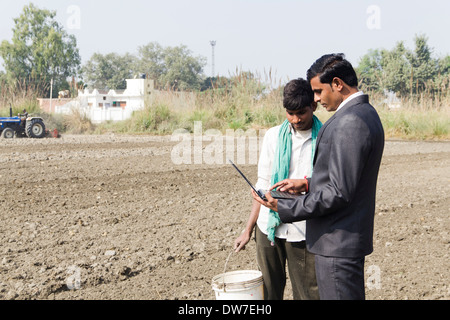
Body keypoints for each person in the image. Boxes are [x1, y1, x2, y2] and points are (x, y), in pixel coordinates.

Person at [252, 53, 385, 300]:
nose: (315, 99)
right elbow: (347, 180)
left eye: (317, 91)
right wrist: (308, 183)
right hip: (343, 242)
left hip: (337, 244)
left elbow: (338, 192)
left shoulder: (349, 121)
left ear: (337, 84)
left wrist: (284, 206)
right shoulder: (367, 113)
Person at [234, 78, 322, 300]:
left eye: (301, 112)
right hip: (269, 227)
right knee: (268, 293)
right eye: (290, 113)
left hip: (303, 229)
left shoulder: (325, 137)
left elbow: (328, 184)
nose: (295, 119)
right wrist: (248, 229)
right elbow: (262, 183)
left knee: (307, 293)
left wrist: (304, 187)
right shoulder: (274, 136)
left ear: (314, 105)